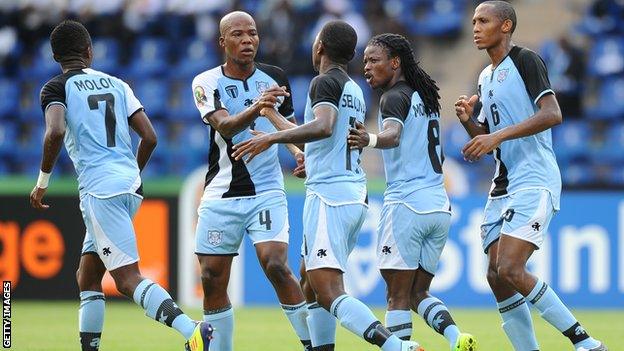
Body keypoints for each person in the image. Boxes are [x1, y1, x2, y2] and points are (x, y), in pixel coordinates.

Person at [232, 20, 422, 351]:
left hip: (331, 196)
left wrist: (273, 137)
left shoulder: (323, 81)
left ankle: (397, 347)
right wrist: (273, 116)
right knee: (308, 280)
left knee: (327, 287)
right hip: (348, 192)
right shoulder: (352, 89)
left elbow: (322, 127)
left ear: (319, 46)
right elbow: (326, 140)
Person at [29, 20, 212, 351]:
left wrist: (42, 182)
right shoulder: (117, 83)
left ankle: (193, 331)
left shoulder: (56, 87)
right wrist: (133, 173)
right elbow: (150, 137)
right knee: (88, 275)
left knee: (127, 280)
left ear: (55, 56)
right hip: (129, 186)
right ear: (89, 51)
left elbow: (54, 132)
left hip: (101, 190)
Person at [454, 2, 607, 351]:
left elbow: (552, 114)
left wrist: (497, 135)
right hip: (502, 184)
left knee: (510, 268)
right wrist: (468, 122)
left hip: (534, 178)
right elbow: (489, 138)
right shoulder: (485, 76)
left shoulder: (526, 61)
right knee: (495, 275)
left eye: (484, 20)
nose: (475, 26)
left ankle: (585, 342)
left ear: (505, 26)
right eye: (474, 20)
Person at [190, 11, 311, 351]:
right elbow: (225, 126)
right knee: (211, 278)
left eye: (253, 34)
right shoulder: (205, 82)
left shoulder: (274, 77)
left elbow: (286, 125)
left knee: (275, 264)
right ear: (222, 42)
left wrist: (298, 153)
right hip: (222, 193)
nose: (248, 41)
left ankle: (314, 345)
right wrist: (259, 106)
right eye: (239, 35)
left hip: (267, 190)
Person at [348, 33, 477, 351]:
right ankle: (456, 338)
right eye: (364, 61)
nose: (367, 67)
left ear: (395, 63)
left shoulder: (393, 97)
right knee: (419, 293)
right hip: (438, 206)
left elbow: (392, 135)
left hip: (406, 205)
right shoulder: (426, 97)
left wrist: (370, 140)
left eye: (374, 60)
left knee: (396, 296)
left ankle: (403, 348)